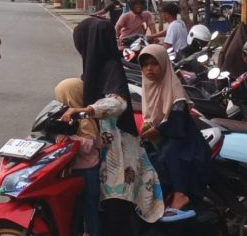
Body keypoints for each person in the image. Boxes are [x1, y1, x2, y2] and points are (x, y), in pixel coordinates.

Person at [61, 17, 164, 234]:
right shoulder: (94, 69)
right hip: (106, 155)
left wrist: (88, 110)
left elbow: (118, 102)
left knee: (115, 219)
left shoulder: (110, 68)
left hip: (120, 157)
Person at [138, 44, 211, 222]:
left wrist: (158, 129)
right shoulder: (149, 87)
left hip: (184, 138)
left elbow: (178, 120)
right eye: (145, 64)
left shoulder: (174, 89)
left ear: (163, 64)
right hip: (165, 136)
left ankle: (180, 194)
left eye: (154, 64)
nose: (149, 68)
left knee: (168, 155)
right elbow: (151, 117)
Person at [55, 78, 100, 236]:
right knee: (77, 209)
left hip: (88, 171)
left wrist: (71, 139)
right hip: (76, 170)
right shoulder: (68, 117)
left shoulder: (84, 118)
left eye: (63, 98)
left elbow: (89, 145)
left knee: (89, 209)